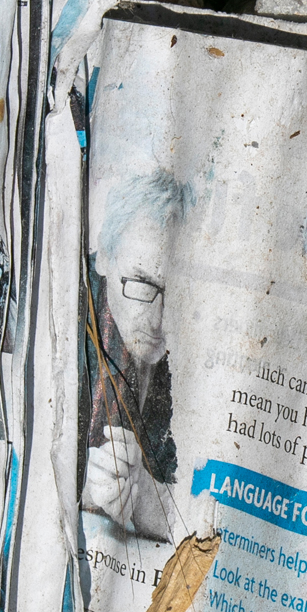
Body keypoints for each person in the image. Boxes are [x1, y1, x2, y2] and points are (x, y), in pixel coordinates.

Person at [82, 169, 194, 539]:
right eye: (142, 283)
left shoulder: (197, 340)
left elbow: (204, 511)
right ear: (103, 257)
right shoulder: (61, 309)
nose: (158, 320)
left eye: (177, 291)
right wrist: (81, 484)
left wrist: (142, 492)